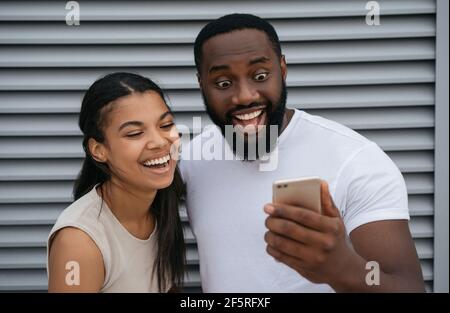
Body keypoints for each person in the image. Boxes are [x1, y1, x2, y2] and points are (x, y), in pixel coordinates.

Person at [180, 14, 425, 292]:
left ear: (282, 70)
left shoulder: (357, 159)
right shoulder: (191, 159)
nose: (244, 96)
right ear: (201, 84)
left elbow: (408, 286)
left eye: (260, 76)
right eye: (223, 83)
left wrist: (343, 268)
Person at [47, 72, 185, 292]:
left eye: (166, 125)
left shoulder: (161, 203)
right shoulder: (78, 242)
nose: (160, 141)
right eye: (135, 133)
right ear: (99, 150)